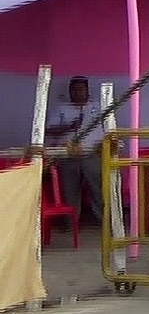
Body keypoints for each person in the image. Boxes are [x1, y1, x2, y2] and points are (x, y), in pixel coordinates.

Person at [46, 76, 105, 224]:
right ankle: (71, 223)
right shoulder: (61, 108)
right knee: (69, 190)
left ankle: (102, 221)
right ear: (69, 91)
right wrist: (69, 127)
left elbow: (109, 130)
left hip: (91, 153)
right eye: (74, 90)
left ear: (87, 90)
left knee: (98, 188)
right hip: (67, 155)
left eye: (81, 89)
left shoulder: (98, 107)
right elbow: (49, 131)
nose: (77, 93)